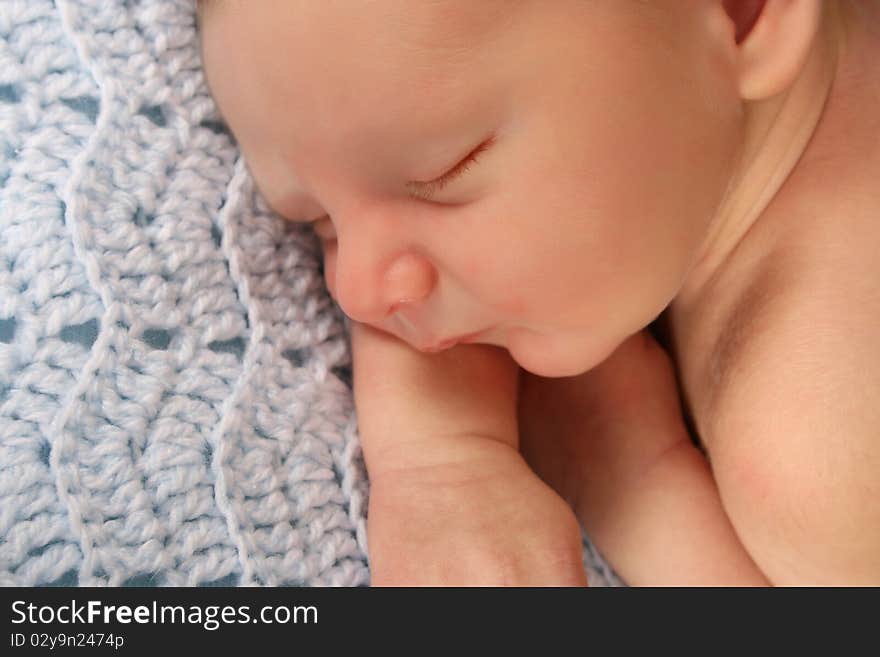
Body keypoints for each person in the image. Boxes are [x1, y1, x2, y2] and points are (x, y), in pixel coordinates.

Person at [197, 0, 880, 585]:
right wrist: (442, 458)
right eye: (319, 223)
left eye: (443, 171)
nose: (357, 294)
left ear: (739, 12)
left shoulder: (822, 444)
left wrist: (636, 481)